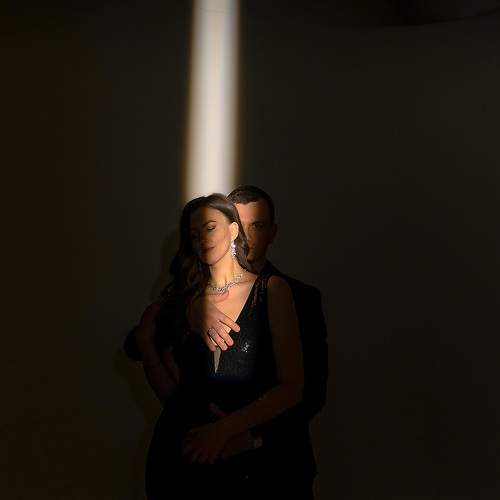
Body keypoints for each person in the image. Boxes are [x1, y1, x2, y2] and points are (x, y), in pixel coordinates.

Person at [125, 186, 328, 499]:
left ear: (272, 232)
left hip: (272, 466)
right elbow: (137, 344)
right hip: (187, 462)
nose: (246, 235)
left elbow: (308, 392)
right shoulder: (188, 294)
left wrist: (248, 435)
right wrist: (192, 307)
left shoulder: (292, 294)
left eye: (256, 225)